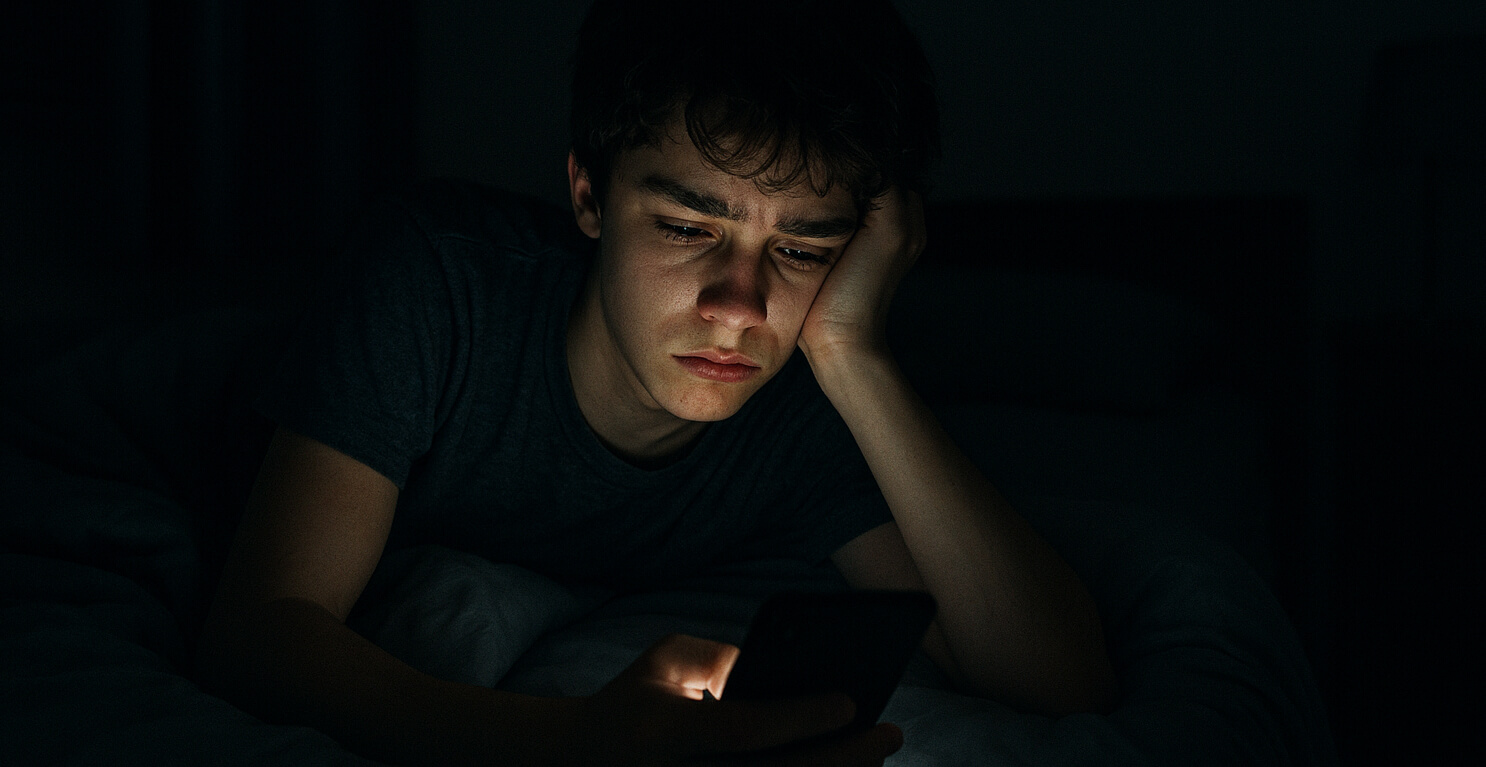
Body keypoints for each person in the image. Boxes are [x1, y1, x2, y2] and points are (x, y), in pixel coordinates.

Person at [196, 0, 1116, 764]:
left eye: (801, 249)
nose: (738, 306)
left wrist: (851, 354)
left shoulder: (805, 396)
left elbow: (1057, 680)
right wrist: (571, 743)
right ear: (589, 195)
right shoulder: (436, 283)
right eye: (686, 229)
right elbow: (262, 630)